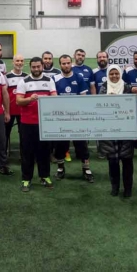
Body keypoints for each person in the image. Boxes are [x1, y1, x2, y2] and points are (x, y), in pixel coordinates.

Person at [16, 57, 57, 192]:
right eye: (33, 67)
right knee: (27, 152)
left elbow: (55, 98)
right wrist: (30, 99)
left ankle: (44, 176)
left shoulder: (49, 80)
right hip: (27, 123)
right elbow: (18, 101)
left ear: (42, 66)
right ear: (30, 67)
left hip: (44, 123)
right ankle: (26, 179)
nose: (36, 69)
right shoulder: (24, 81)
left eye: (38, 66)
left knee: (44, 152)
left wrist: (47, 98)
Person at [99, 65, 137, 198]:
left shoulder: (128, 88)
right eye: (111, 74)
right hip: (109, 131)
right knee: (112, 162)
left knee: (127, 162)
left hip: (126, 131)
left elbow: (134, 108)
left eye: (117, 73)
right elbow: (98, 107)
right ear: (108, 75)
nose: (114, 76)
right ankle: (115, 187)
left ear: (120, 74)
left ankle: (128, 188)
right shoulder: (103, 88)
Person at [53, 54, 94, 183]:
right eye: (63, 63)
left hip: (77, 118)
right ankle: (60, 168)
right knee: (61, 145)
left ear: (71, 63)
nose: (66, 65)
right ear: (60, 65)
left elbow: (83, 97)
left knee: (81, 145)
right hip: (61, 119)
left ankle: (86, 169)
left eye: (68, 63)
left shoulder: (79, 78)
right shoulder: (55, 79)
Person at [5, 54, 27, 158]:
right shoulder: (6, 77)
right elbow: (3, 94)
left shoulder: (27, 77)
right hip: (9, 111)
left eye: (21, 61)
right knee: (5, 134)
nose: (19, 63)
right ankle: (3, 156)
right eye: (17, 61)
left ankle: (24, 155)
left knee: (24, 135)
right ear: (13, 62)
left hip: (23, 111)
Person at [93, 51, 109, 159]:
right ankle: (101, 150)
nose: (102, 59)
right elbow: (92, 86)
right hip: (99, 105)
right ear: (97, 59)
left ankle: (110, 149)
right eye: (100, 57)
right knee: (99, 129)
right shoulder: (93, 72)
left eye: (104, 57)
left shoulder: (113, 70)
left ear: (107, 58)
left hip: (112, 105)